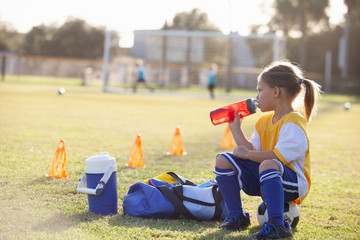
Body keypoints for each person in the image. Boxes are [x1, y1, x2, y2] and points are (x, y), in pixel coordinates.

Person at [213, 60, 321, 239]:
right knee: (223, 159)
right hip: (267, 173)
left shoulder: (293, 121)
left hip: (293, 184)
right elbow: (252, 151)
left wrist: (248, 154)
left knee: (269, 163)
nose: (256, 96)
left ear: (276, 91)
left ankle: (277, 225)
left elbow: (277, 156)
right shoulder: (263, 121)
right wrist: (236, 130)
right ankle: (236, 216)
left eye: (260, 89)